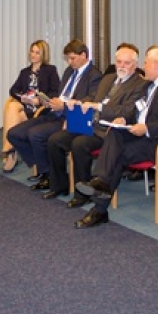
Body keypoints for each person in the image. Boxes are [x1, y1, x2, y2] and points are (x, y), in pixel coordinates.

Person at [74, 47, 158, 228]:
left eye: (146, 63)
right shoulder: (147, 85)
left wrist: (147, 128)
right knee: (115, 132)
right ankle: (100, 185)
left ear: (156, 65)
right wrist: (124, 119)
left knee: (116, 155)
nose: (143, 66)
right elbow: (136, 110)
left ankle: (99, 204)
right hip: (140, 137)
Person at [43, 45, 146, 207]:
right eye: (119, 62)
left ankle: (83, 194)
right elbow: (93, 98)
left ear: (135, 65)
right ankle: (59, 185)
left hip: (109, 130)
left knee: (79, 144)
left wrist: (98, 107)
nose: (122, 66)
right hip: (90, 123)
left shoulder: (139, 84)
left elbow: (127, 111)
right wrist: (78, 102)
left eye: (126, 63)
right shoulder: (108, 78)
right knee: (55, 140)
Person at [7, 39, 102, 189]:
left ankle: (48, 175)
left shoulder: (94, 75)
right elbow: (59, 93)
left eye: (72, 58)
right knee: (14, 134)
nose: (69, 62)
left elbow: (90, 100)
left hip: (69, 117)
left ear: (83, 55)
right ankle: (44, 167)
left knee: (35, 134)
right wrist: (49, 100)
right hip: (53, 112)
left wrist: (63, 105)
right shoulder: (69, 71)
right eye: (68, 59)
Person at [0, 40, 60, 172]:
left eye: (37, 52)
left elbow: (55, 92)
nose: (33, 55)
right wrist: (23, 98)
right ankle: (9, 149)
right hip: (26, 108)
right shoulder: (25, 72)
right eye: (32, 51)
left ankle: (9, 151)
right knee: (12, 107)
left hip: (40, 110)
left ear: (43, 54)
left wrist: (39, 100)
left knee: (12, 110)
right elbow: (13, 90)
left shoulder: (50, 70)